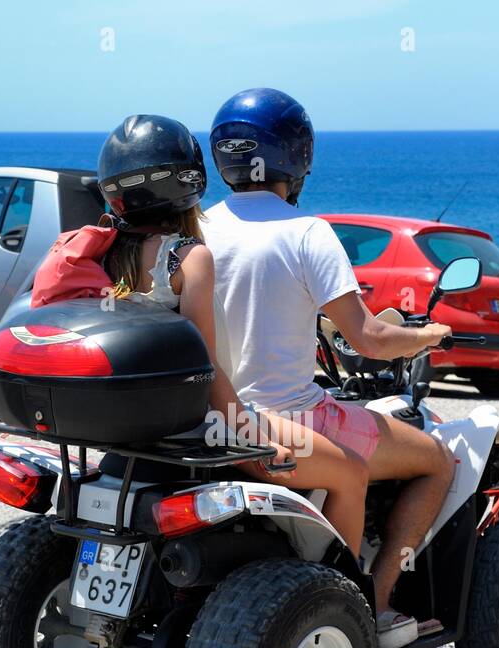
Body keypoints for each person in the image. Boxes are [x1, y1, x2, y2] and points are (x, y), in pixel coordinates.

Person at [202, 88, 455, 648]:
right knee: (437, 461)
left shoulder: (196, 230)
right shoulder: (307, 232)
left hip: (214, 420)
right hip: (294, 419)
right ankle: (373, 606)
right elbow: (366, 336)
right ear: (296, 156)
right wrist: (425, 336)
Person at [92, 115, 372, 550]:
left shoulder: (102, 254)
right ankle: (341, 605)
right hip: (213, 425)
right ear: (190, 180)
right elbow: (206, 369)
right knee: (352, 472)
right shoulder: (188, 257)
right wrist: (258, 441)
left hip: (135, 428)